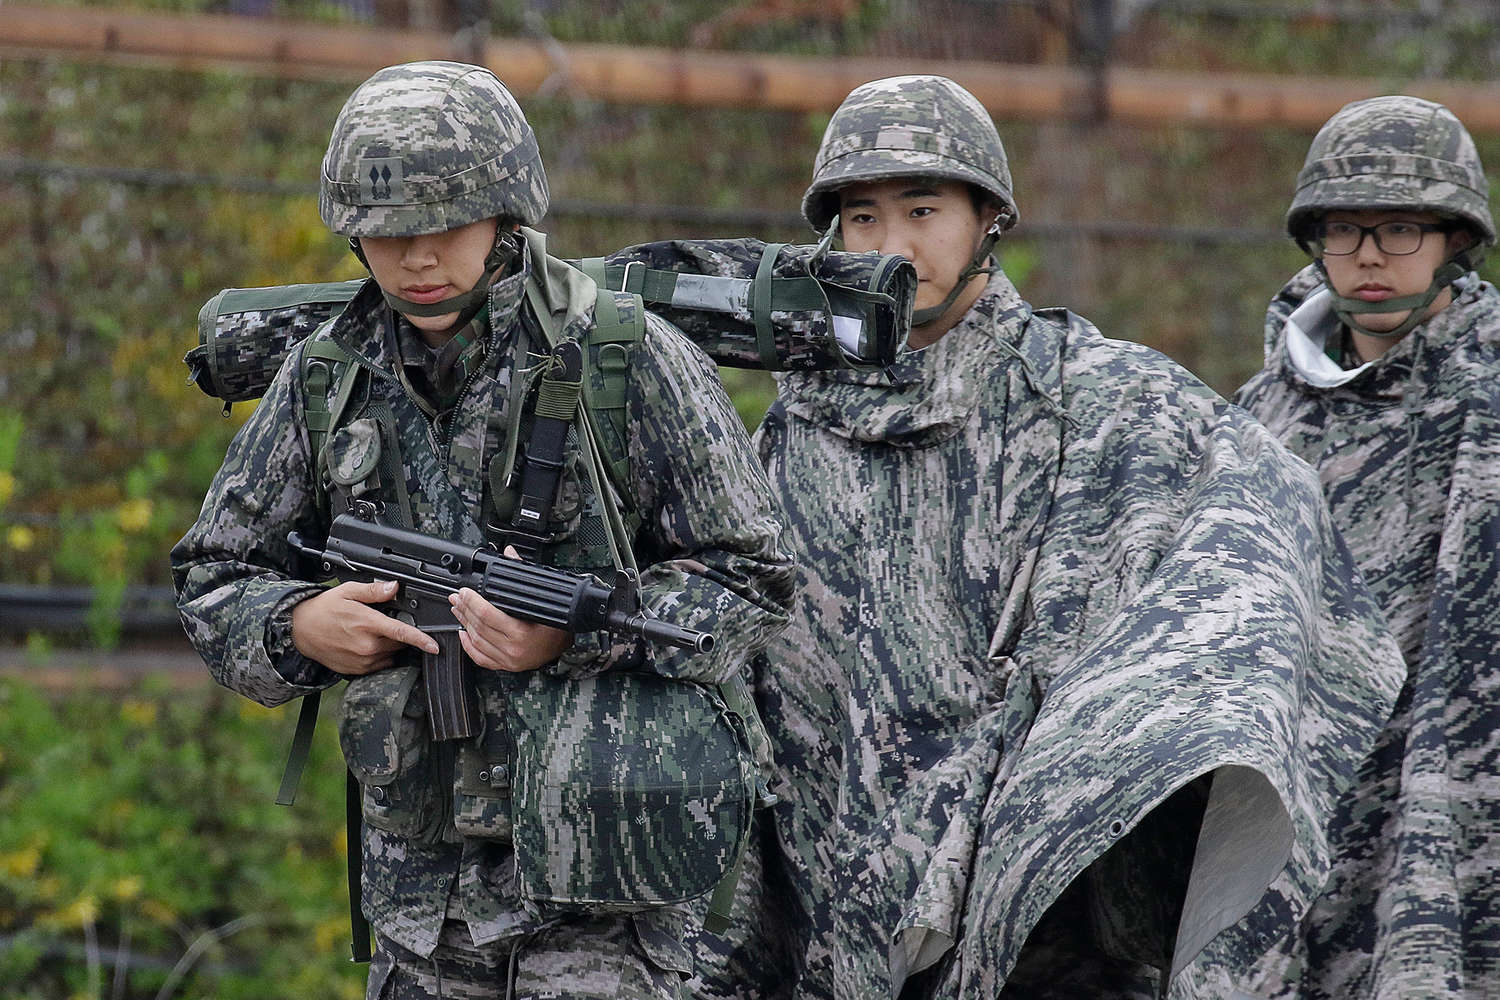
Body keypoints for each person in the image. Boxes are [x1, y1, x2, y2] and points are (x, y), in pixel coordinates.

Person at [714, 75, 1406, 999]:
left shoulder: (1104, 398)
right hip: (828, 889)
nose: (893, 246)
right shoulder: (798, 423)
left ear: (989, 220)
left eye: (923, 210)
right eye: (864, 219)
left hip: (1046, 920)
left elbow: (1269, 539)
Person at [171, 61, 793, 1000]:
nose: (416, 260)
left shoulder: (625, 360)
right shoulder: (325, 377)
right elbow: (214, 572)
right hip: (426, 905)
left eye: (444, 228)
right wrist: (298, 627)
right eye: (386, 236)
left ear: (507, 214)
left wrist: (581, 631)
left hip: (617, 886)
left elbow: (752, 579)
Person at [1218, 95, 1500, 999]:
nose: (1371, 255)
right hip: (1289, 811)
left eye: (1402, 228)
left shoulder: (1487, 402)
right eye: (1345, 230)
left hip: (1455, 804)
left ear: (1457, 239)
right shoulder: (1255, 418)